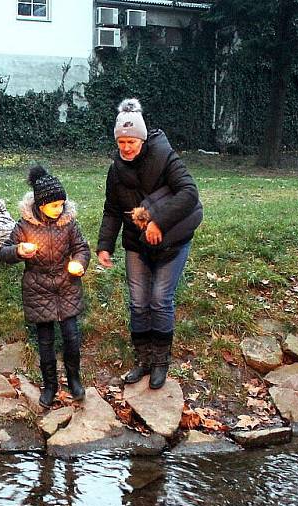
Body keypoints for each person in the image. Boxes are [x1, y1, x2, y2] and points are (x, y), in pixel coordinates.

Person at [96, 98, 202, 390]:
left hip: (172, 242)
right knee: (139, 303)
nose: (126, 147)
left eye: (131, 141)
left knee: (159, 299)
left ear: (141, 139)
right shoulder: (116, 169)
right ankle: (142, 361)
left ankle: (160, 363)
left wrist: (158, 221)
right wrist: (105, 245)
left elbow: (189, 192)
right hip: (136, 243)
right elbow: (112, 209)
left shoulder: (166, 157)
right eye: (121, 142)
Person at [0, 165, 91, 408]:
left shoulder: (68, 224)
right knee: (45, 341)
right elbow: (4, 252)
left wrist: (79, 263)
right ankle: (50, 385)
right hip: (38, 289)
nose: (59, 209)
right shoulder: (24, 226)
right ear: (40, 205)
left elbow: (81, 248)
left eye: (62, 204)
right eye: (54, 205)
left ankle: (74, 380)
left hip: (66, 286)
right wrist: (18, 250)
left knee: (71, 337)